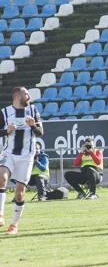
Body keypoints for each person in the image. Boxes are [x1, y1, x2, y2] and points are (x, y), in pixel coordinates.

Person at [0, 87, 43, 235]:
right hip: (9, 153)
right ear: (18, 96)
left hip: (26, 156)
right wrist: (6, 131)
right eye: (27, 94)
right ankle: (0, 215)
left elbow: (41, 132)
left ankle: (14, 224)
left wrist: (33, 125)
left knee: (19, 193)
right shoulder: (5, 112)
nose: (29, 97)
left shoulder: (33, 110)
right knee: (2, 177)